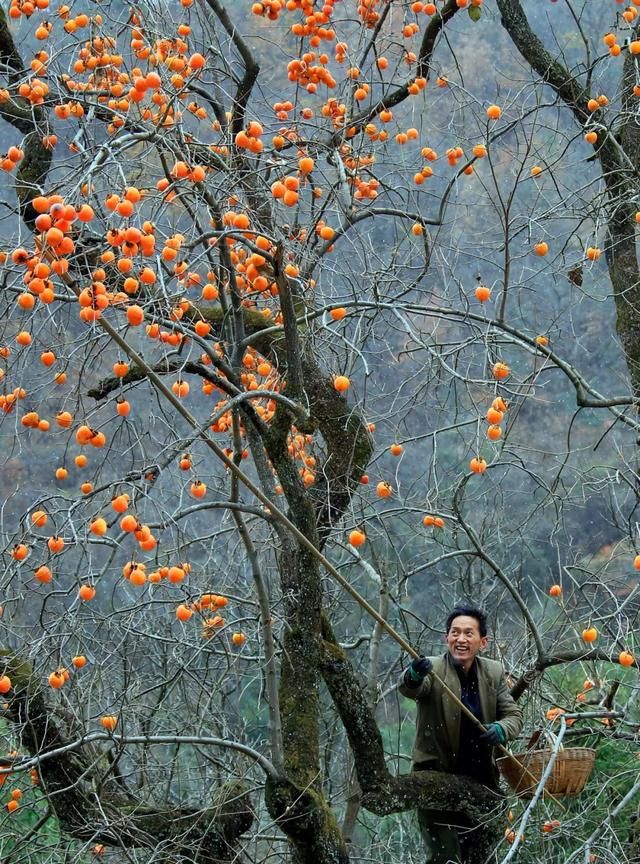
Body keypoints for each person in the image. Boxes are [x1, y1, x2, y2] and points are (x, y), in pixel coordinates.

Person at [399, 604, 523, 864]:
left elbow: (514, 716)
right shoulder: (433, 669)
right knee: (446, 857)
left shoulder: (493, 672)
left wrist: (501, 729)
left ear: (483, 641)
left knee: (482, 856)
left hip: (481, 782)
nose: (461, 639)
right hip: (435, 779)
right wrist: (413, 675)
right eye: (455, 633)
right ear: (447, 638)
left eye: (468, 633)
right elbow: (413, 689)